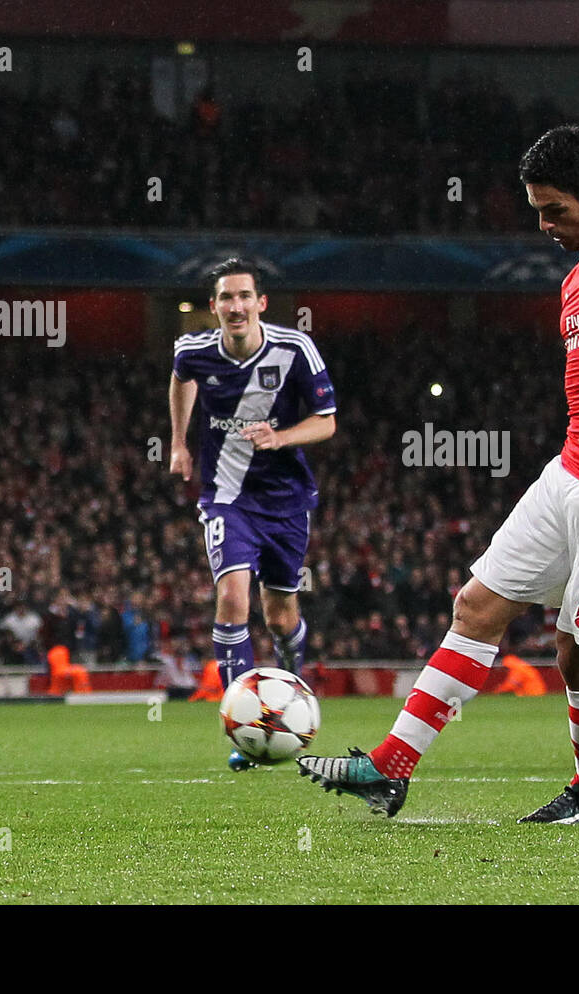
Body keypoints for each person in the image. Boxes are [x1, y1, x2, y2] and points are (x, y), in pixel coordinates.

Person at [298, 124, 579, 822]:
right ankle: (388, 769)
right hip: (568, 474)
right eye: (536, 209)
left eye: (556, 208)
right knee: (475, 605)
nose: (545, 224)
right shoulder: (574, 279)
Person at [169, 257, 337, 772]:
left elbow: (327, 422)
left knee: (281, 614)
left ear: (260, 303)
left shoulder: (294, 349)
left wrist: (280, 437)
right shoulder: (193, 349)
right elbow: (181, 380)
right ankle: (242, 726)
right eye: (226, 297)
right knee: (232, 592)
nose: (235, 306)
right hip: (226, 495)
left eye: (244, 296)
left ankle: (290, 681)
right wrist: (179, 442)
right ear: (214, 306)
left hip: (286, 501)